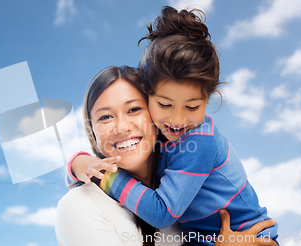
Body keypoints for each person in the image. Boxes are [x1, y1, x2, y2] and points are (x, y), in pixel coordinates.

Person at [65, 7, 278, 246]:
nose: (177, 120)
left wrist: (106, 176)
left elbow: (161, 214)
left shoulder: (199, 141)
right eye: (165, 104)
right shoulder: (167, 140)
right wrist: (79, 163)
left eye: (192, 107)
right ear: (150, 95)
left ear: (208, 100)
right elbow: (80, 174)